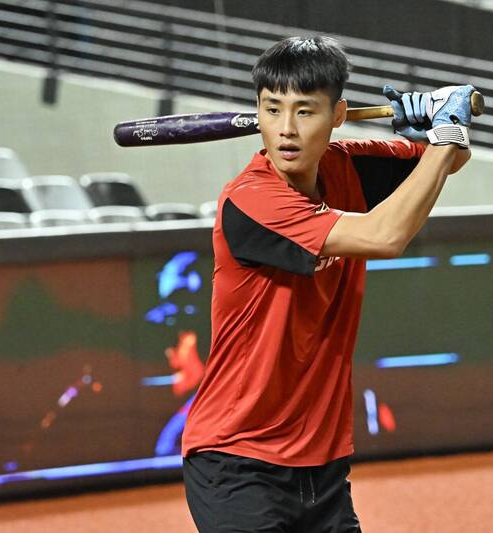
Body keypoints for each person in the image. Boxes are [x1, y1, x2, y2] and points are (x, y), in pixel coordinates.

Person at [181, 35, 475, 532]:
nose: (287, 129)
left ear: (338, 115)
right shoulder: (251, 200)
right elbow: (385, 237)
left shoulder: (346, 166)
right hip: (239, 459)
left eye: (304, 111)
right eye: (272, 109)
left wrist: (431, 133)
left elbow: (448, 162)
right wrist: (444, 137)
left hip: (322, 463)